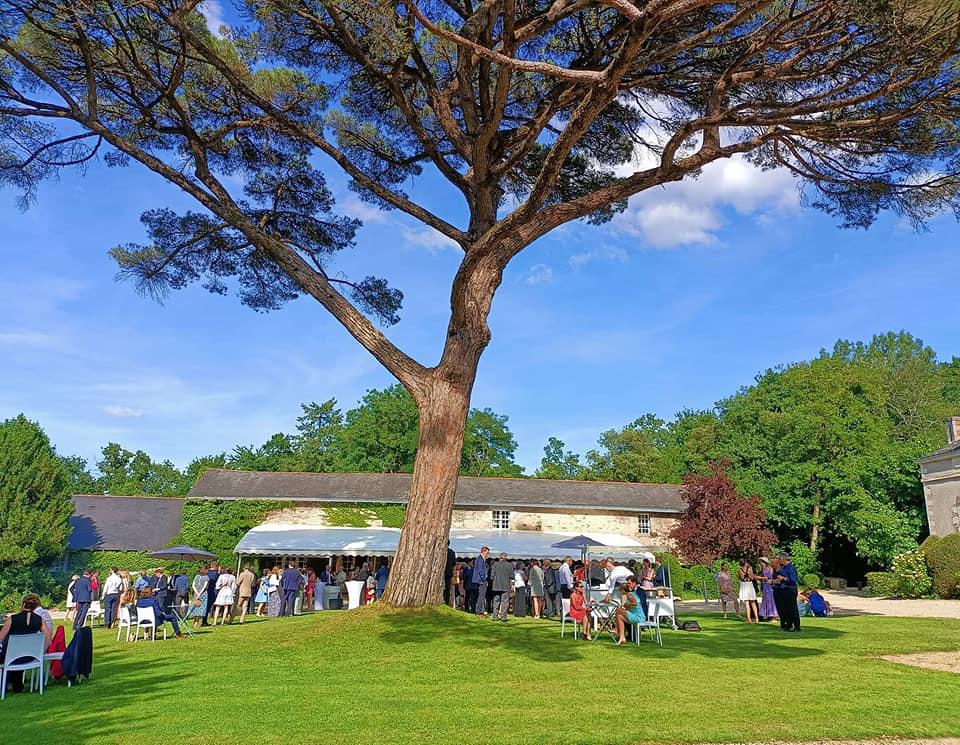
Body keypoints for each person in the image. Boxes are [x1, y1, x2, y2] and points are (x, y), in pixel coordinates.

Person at [0, 594, 52, 694]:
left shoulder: (12, 619)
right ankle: (17, 685)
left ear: (23, 604)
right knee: (18, 654)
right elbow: (48, 637)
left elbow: (1, 638)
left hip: (10, 656)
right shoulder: (39, 620)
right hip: (30, 656)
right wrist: (41, 652)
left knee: (9, 654)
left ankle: (8, 684)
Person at [772, 551, 801, 631]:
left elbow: (793, 580)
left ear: (782, 559)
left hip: (790, 590)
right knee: (786, 609)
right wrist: (778, 580)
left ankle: (796, 626)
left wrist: (783, 578)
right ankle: (788, 625)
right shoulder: (783, 568)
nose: (778, 561)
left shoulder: (790, 568)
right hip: (784, 590)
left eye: (779, 559)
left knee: (792, 608)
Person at [490, 552, 513, 622]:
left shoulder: (495, 564)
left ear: (500, 557)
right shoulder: (509, 565)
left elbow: (492, 575)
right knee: (504, 602)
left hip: (496, 585)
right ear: (506, 558)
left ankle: (495, 616)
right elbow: (512, 576)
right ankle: (503, 617)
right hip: (505, 586)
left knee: (496, 601)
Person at [757, 557, 778, 623]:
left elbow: (768, 577)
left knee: (770, 601)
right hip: (765, 586)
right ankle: (768, 615)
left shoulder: (769, 568)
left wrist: (758, 577)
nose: (760, 563)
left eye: (761, 562)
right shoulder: (763, 569)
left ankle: (773, 616)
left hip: (769, 586)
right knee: (766, 600)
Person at [738, 559, 759, 624]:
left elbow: (740, 578)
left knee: (746, 603)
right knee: (753, 602)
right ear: (745, 563)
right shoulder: (750, 569)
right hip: (750, 585)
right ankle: (756, 619)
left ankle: (749, 619)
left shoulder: (739, 570)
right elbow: (752, 578)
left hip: (744, 585)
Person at [473, 547, 490, 617]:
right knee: (481, 596)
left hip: (481, 580)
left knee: (482, 596)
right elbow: (480, 570)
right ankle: (479, 611)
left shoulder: (482, 559)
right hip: (481, 581)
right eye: (487, 553)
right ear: (483, 551)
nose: (488, 554)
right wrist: (484, 579)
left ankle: (481, 610)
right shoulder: (480, 559)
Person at [204, 561, 220, 627]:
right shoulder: (216, 574)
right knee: (214, 606)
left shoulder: (206, 573)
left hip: (206, 590)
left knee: (206, 606)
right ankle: (213, 618)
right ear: (216, 566)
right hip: (213, 591)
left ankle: (204, 620)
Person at [443, 540, 457, 606]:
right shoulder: (452, 552)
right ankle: (447, 602)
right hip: (449, 573)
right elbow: (454, 564)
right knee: (447, 588)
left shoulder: (441, 551)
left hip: (442, 572)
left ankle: (442, 600)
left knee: (442, 588)